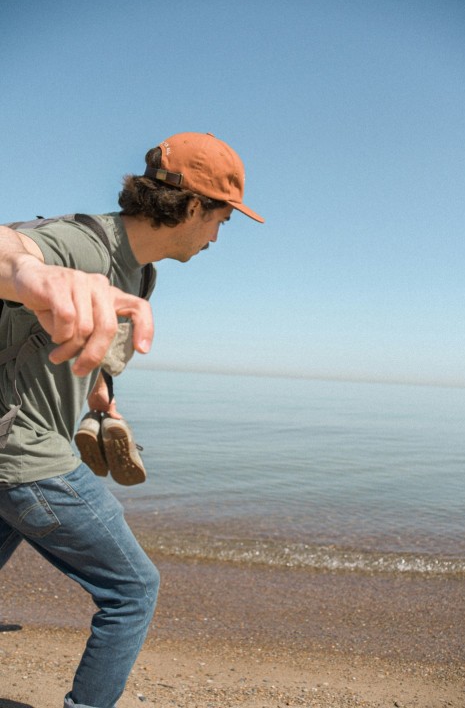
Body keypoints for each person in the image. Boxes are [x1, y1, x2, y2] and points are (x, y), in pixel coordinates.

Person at [0, 131, 264, 708]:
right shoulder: (78, 246)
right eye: (223, 218)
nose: (220, 234)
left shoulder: (140, 274)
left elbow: (73, 339)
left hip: (14, 449)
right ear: (193, 206)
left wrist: (98, 392)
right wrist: (29, 272)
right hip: (25, 455)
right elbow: (9, 248)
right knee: (133, 589)